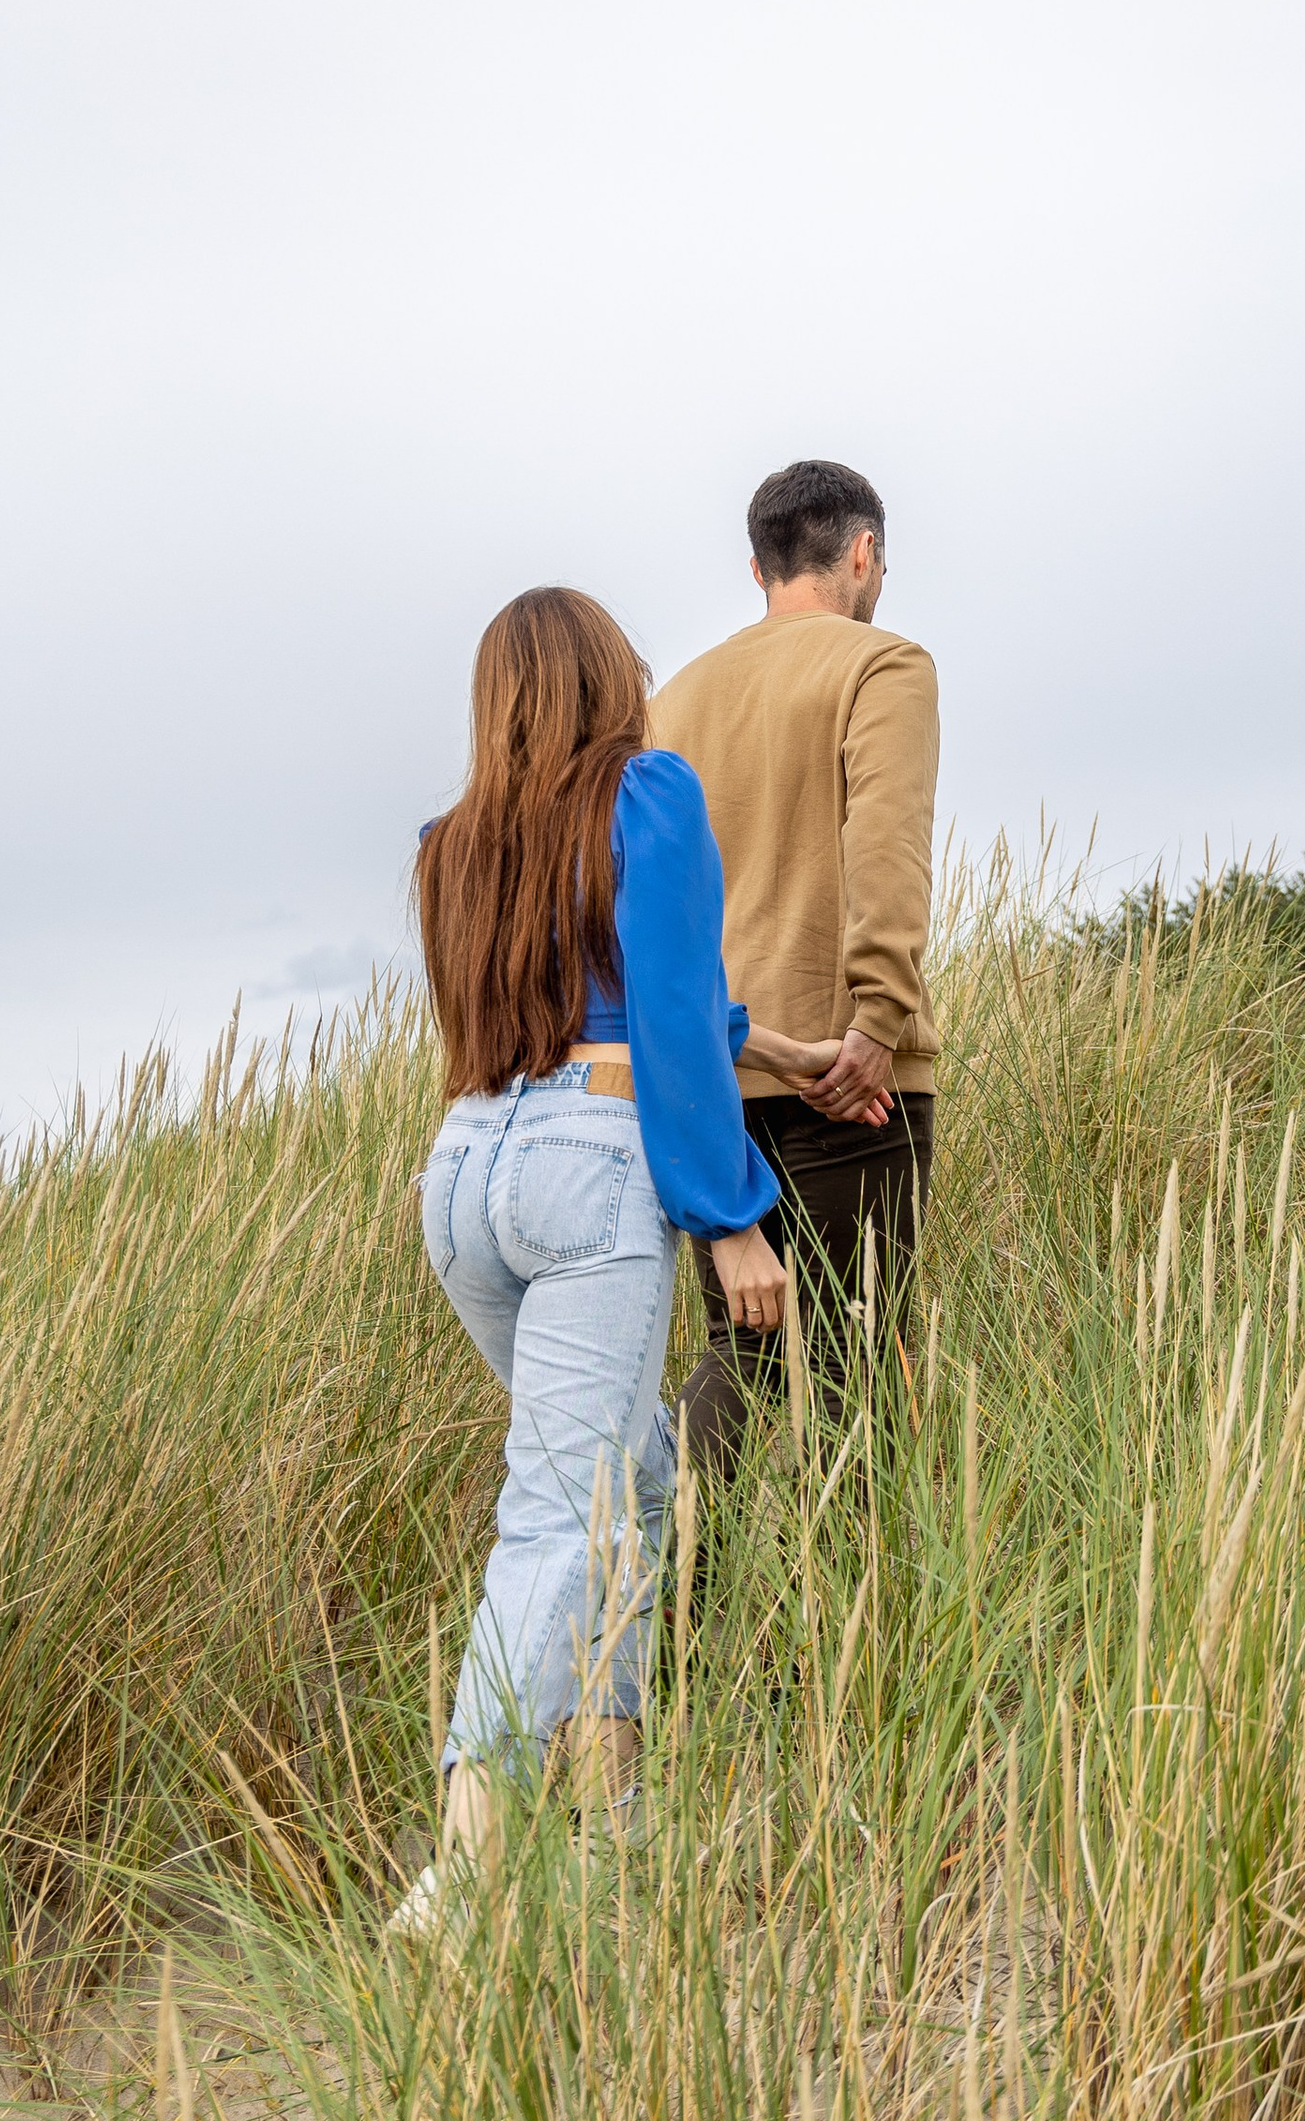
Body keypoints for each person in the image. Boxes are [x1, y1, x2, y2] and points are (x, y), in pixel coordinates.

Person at [397, 584, 843, 1929]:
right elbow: (651, 1008)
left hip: (467, 1172)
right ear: (608, 679)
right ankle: (466, 1862)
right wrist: (732, 1217)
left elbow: (601, 1000)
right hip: (591, 1172)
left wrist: (777, 1048)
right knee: (560, 1511)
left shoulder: (449, 845)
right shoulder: (649, 794)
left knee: (626, 1475)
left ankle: (618, 1811)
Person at [650, 459, 940, 1475]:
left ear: (757, 566)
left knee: (743, 1350)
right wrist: (879, 1018)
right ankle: (852, 1625)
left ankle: (671, 1612)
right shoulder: (882, 664)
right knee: (852, 1365)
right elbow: (888, 847)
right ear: (863, 554)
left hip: (710, 1079)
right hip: (844, 1078)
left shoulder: (674, 700)